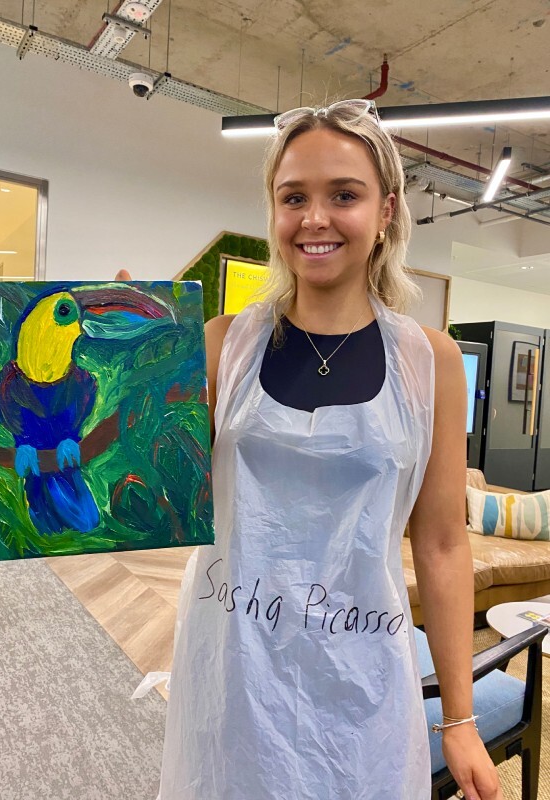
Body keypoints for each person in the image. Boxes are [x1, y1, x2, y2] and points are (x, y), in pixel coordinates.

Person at [118, 99, 502, 799]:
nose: (314, 218)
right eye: (293, 197)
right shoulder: (220, 346)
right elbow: (155, 497)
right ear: (273, 210)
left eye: (344, 195)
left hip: (363, 679)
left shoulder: (430, 362)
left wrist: (459, 718)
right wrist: (116, 391)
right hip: (231, 671)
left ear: (386, 211)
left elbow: (444, 544)